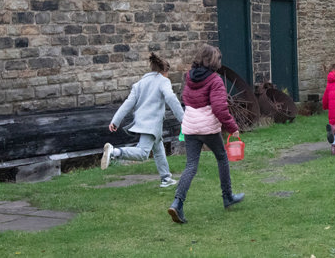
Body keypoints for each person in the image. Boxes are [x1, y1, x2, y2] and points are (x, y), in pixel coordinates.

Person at [167, 44, 243, 224]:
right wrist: (232, 127)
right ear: (214, 61)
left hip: (191, 126)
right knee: (222, 158)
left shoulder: (189, 77)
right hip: (208, 127)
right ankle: (227, 196)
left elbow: (185, 99)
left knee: (191, 165)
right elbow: (219, 108)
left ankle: (177, 202)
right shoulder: (215, 80)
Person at [101, 52, 185, 188]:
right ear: (165, 71)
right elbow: (171, 98)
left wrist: (115, 121)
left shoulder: (139, 84)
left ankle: (166, 178)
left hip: (143, 123)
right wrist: (183, 118)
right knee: (143, 153)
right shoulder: (163, 81)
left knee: (158, 148)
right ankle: (115, 152)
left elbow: (127, 104)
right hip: (151, 124)